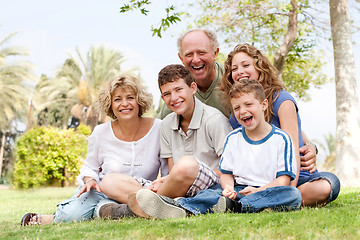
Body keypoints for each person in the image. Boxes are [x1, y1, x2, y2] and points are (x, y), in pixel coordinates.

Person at [158, 29, 319, 182]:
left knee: (325, 184)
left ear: (215, 53)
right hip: (232, 170)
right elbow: (164, 141)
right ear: (181, 58)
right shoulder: (175, 97)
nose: (196, 59)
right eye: (189, 54)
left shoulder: (234, 82)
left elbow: (286, 119)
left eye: (201, 52)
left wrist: (310, 145)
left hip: (264, 166)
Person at [133, 79, 302, 218]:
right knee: (209, 194)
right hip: (238, 189)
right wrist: (228, 188)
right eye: (237, 108)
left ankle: (237, 207)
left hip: (267, 190)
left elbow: (283, 181)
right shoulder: (233, 138)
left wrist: (258, 190)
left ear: (264, 105)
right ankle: (179, 207)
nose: (242, 111)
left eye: (248, 104)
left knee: (292, 195)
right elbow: (227, 174)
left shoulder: (281, 139)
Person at [20, 74, 168, 225]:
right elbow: (90, 167)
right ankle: (95, 210)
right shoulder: (100, 132)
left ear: (139, 100)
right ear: (110, 104)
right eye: (117, 99)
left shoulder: (159, 127)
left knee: (114, 209)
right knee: (70, 216)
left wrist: (161, 189)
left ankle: (107, 210)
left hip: (142, 192)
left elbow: (167, 171)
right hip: (100, 192)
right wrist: (90, 180)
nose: (124, 104)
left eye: (130, 97)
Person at [220, 44, 340, 206]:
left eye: (246, 65)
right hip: (260, 178)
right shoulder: (239, 112)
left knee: (328, 184)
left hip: (294, 176)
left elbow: (293, 146)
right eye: (234, 68)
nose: (239, 71)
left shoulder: (282, 100)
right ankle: (261, 200)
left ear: (259, 68)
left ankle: (265, 200)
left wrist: (289, 189)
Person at [128, 64, 232, 219]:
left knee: (187, 164)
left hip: (211, 184)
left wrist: (185, 174)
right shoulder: (166, 124)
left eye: (178, 90)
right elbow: (173, 170)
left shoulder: (214, 119)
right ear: (163, 98)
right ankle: (161, 203)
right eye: (167, 94)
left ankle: (144, 207)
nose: (174, 98)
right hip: (179, 185)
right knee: (111, 181)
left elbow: (229, 167)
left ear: (193, 88)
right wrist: (166, 180)